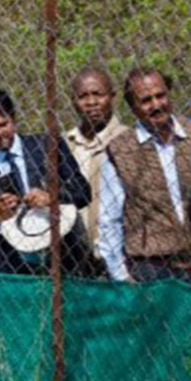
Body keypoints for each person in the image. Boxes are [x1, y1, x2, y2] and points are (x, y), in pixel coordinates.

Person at [0, 89, 93, 274]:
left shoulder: (48, 147)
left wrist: (52, 197)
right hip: (9, 268)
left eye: (2, 124)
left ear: (13, 119)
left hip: (62, 258)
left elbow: (83, 193)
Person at [99, 67, 191, 283]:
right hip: (152, 267)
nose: (156, 105)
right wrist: (121, 276)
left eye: (160, 96)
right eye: (146, 100)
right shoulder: (120, 150)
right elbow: (109, 220)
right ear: (133, 107)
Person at [63, 65, 126, 274]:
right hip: (74, 257)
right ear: (73, 101)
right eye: (83, 96)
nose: (91, 103)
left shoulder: (128, 141)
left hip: (121, 256)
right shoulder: (63, 145)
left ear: (112, 97)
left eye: (98, 94)